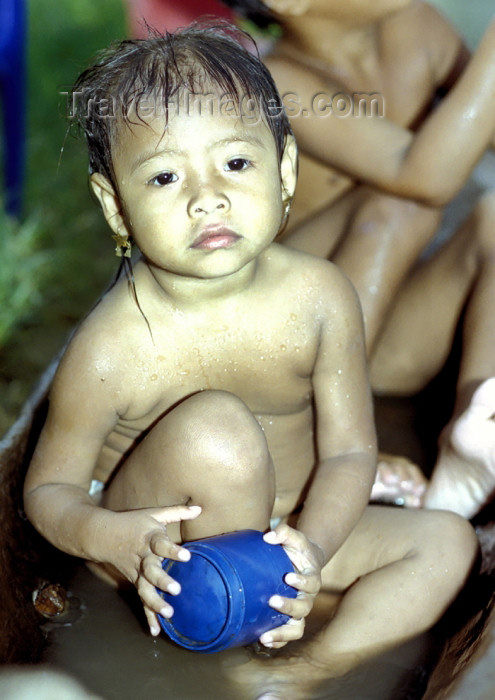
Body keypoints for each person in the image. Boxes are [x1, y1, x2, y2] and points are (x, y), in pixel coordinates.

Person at [23, 24, 478, 697]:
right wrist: (111, 539)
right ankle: (240, 626)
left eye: (235, 164)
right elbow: (47, 493)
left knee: (445, 544)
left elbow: (350, 452)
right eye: (165, 176)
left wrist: (310, 552)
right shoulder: (112, 348)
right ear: (116, 207)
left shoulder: (320, 298)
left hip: (285, 525)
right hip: (166, 558)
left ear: (284, 170)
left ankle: (298, 672)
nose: (206, 197)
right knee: (217, 429)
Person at [220, 0, 495, 518]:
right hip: (289, 356)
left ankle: (476, 440)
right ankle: (314, 440)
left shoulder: (416, 27)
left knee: (494, 216)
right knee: (398, 204)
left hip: (383, 336)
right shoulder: (275, 83)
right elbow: (420, 176)